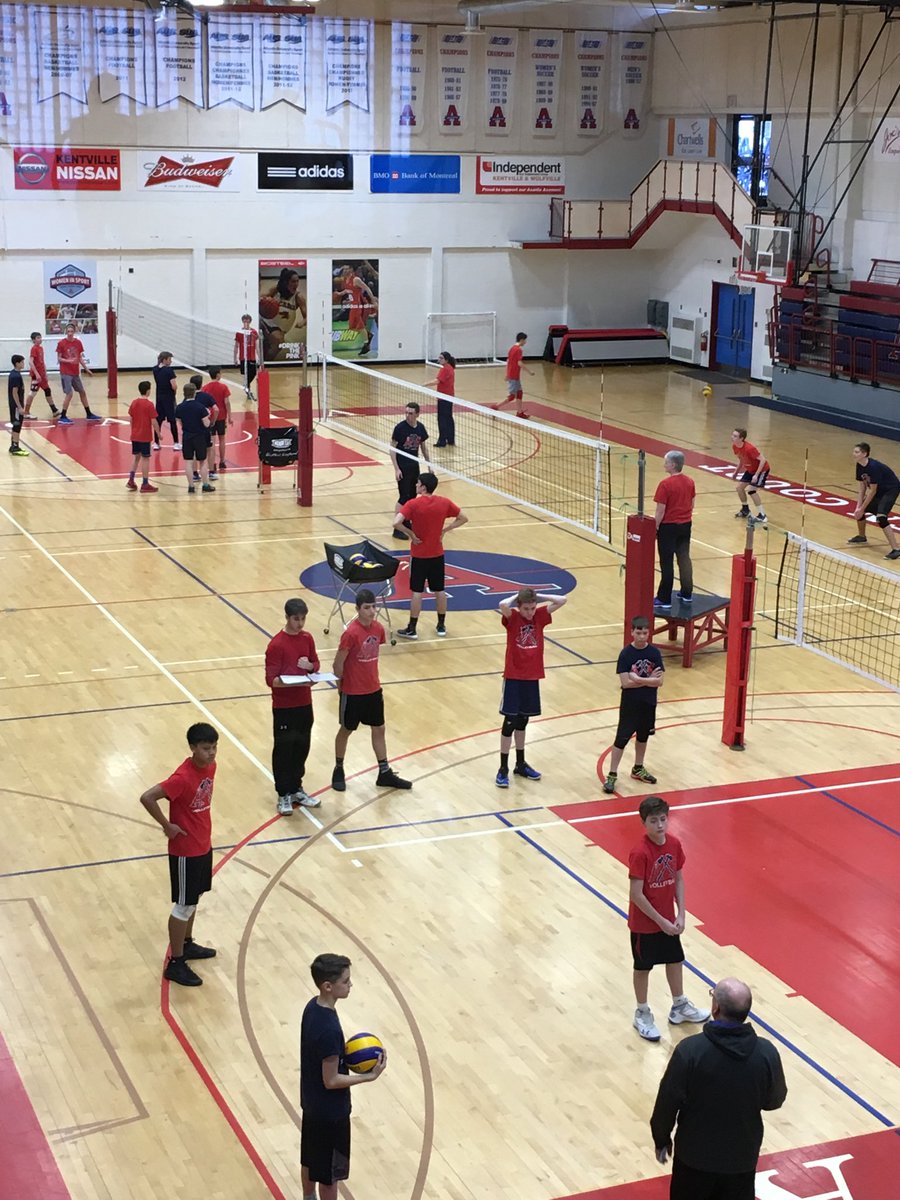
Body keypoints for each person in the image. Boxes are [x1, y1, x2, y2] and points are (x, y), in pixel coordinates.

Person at [650, 977, 787, 1200]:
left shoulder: (690, 1051)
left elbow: (667, 1102)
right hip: (741, 1158)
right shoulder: (766, 1052)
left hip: (694, 1158)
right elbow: (774, 1101)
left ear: (716, 1008)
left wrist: (662, 1139)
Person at [300, 953, 387, 1200]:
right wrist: (368, 1077)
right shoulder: (328, 1029)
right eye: (346, 981)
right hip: (330, 1114)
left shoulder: (312, 1007)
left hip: (312, 1104)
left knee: (310, 1159)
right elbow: (331, 1080)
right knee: (329, 1175)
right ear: (328, 986)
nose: (350, 985)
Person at [139, 722, 220, 988]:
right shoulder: (182, 778)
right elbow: (148, 797)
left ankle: (187, 944)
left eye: (214, 747)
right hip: (185, 851)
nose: (212, 753)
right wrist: (167, 825)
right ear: (193, 748)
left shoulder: (210, 767)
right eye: (206, 748)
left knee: (194, 898)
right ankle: (176, 962)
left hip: (202, 844)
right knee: (183, 905)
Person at [628, 795, 709, 1041]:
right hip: (645, 925)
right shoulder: (640, 852)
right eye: (654, 821)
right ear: (644, 823)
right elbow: (636, 894)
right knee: (643, 967)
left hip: (668, 921)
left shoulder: (674, 844)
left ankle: (679, 1005)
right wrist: (660, 921)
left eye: (663, 819)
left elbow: (679, 880)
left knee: (675, 960)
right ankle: (642, 1012)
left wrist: (681, 913)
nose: (660, 825)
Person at [331, 589, 411, 792]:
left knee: (379, 728)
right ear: (358, 609)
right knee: (346, 730)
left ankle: (384, 772)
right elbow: (337, 664)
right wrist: (341, 687)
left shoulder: (378, 629)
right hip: (353, 691)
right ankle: (339, 768)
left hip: (373, 689)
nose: (372, 611)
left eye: (374, 607)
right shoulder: (350, 633)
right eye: (367, 607)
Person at [495, 586, 568, 788]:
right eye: (526, 608)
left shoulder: (540, 617)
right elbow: (502, 604)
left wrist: (540, 597)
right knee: (509, 720)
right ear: (519, 606)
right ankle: (503, 768)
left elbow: (562, 600)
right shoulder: (513, 618)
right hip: (514, 675)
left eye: (533, 608)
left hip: (532, 675)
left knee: (523, 720)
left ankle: (520, 763)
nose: (530, 612)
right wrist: (518, 598)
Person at [393, 472, 468, 640]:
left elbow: (396, 522)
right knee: (439, 590)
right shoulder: (444, 502)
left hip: (419, 555)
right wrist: (445, 530)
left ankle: (412, 629)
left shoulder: (413, 504)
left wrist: (410, 533)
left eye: (417, 483)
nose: (415, 485)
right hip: (437, 554)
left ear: (423, 487)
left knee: (417, 592)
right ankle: (441, 626)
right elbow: (463, 518)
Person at [265, 598, 322, 816]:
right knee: (284, 750)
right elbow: (271, 680)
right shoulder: (277, 645)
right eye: (296, 619)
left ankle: (297, 788)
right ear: (287, 617)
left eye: (303, 619)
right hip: (284, 707)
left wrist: (311, 667)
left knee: (302, 747)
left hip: (304, 703)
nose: (300, 624)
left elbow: (315, 665)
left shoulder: (307, 638)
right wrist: (290, 681)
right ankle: (283, 794)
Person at [602, 616, 663, 794]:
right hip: (630, 704)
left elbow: (660, 682)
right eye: (639, 633)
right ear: (632, 632)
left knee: (643, 736)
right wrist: (648, 680)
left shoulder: (654, 653)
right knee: (621, 739)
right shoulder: (626, 654)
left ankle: (638, 768)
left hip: (648, 702)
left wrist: (637, 678)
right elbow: (625, 683)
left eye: (645, 633)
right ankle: (612, 774)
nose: (642, 636)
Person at [654, 450, 695, 611]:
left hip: (668, 527)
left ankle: (664, 598)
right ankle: (686, 593)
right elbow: (692, 504)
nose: (664, 464)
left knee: (667, 562)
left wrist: (655, 528)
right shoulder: (690, 481)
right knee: (684, 558)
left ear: (673, 464)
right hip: (686, 525)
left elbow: (660, 511)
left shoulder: (665, 484)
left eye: (666, 462)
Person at [848, 441, 900, 559]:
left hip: (890, 489)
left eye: (857, 452)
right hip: (879, 490)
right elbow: (862, 486)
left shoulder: (873, 467)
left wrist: (862, 508)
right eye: (854, 451)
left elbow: (873, 490)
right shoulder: (859, 465)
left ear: (864, 454)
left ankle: (896, 549)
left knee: (881, 517)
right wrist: (859, 507)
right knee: (859, 513)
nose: (854, 454)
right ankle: (862, 537)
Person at [389, 401, 431, 540]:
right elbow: (392, 449)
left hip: (414, 466)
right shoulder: (400, 428)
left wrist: (429, 465)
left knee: (412, 496)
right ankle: (397, 528)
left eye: (411, 413)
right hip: (403, 468)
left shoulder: (420, 428)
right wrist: (396, 469)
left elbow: (423, 447)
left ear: (418, 414)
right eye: (406, 412)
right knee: (403, 497)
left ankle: (406, 522)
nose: (408, 416)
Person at [175, 382, 215, 494]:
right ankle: (205, 485)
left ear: (184, 393)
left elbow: (180, 422)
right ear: (194, 393)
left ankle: (191, 486)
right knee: (202, 461)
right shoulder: (200, 407)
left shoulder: (179, 407)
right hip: (199, 437)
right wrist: (208, 416)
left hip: (187, 436)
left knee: (188, 461)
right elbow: (207, 424)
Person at [55, 322, 99, 424]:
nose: (70, 333)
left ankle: (88, 413)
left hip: (75, 372)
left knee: (82, 392)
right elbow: (59, 358)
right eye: (68, 331)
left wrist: (86, 369)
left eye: (71, 331)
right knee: (69, 394)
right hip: (66, 372)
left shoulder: (78, 343)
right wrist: (69, 361)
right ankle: (63, 415)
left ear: (74, 332)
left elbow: (79, 357)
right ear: (66, 332)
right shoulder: (61, 343)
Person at [126, 380, 159, 493]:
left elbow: (131, 419)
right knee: (145, 459)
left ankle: (131, 480)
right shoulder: (149, 404)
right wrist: (159, 434)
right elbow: (154, 421)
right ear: (148, 390)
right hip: (145, 436)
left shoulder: (134, 402)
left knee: (136, 458)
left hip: (135, 435)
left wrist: (134, 429)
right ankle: (145, 483)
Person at [731, 428, 769, 524]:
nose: (732, 437)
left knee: (751, 490)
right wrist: (736, 472)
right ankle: (745, 510)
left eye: (735, 436)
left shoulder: (749, 448)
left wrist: (756, 475)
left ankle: (763, 515)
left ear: (741, 438)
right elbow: (741, 460)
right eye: (733, 435)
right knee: (739, 488)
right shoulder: (735, 447)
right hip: (750, 470)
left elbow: (763, 460)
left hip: (761, 469)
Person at [495, 331, 534, 418]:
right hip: (514, 376)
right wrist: (529, 371)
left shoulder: (512, 348)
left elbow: (508, 362)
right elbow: (519, 363)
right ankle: (495, 407)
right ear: (522, 340)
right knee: (512, 396)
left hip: (513, 375)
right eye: (525, 340)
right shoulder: (518, 350)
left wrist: (507, 374)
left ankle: (519, 412)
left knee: (519, 393)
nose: (525, 342)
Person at [190, 373, 219, 483]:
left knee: (193, 451)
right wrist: (213, 421)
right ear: (201, 384)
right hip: (205, 428)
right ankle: (211, 472)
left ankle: (195, 474)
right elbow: (216, 409)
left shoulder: (189, 398)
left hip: (193, 429)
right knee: (209, 449)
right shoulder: (206, 396)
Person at [24, 332, 59, 419]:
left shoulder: (41, 348)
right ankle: (26, 412)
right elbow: (31, 362)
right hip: (37, 376)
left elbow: (42, 362)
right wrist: (36, 374)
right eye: (38, 338)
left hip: (42, 375)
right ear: (33, 340)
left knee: (47, 390)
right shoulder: (34, 349)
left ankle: (54, 410)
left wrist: (45, 373)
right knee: (32, 392)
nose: (40, 339)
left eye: (40, 337)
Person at [425, 351, 456, 447]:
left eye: (441, 358)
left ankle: (442, 441)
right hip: (450, 396)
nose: (439, 359)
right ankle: (451, 440)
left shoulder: (445, 369)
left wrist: (424, 385)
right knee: (448, 418)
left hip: (443, 398)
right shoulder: (450, 368)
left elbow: (437, 381)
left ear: (446, 360)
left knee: (442, 419)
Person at [204, 366, 232, 471]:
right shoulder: (223, 387)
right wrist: (230, 416)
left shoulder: (205, 387)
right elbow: (227, 402)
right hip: (221, 417)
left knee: (212, 440)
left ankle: (212, 463)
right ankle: (222, 461)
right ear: (218, 375)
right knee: (222, 439)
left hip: (211, 417)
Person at [152, 351, 179, 450]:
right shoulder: (169, 371)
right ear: (164, 360)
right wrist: (174, 392)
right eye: (169, 359)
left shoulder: (155, 369)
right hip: (169, 398)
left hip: (159, 398)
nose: (171, 361)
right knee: (172, 421)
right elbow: (174, 386)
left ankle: (156, 443)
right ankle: (176, 443)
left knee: (158, 420)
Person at [7, 355, 28, 457]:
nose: (24, 364)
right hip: (16, 405)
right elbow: (14, 392)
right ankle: (15, 446)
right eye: (22, 362)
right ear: (17, 363)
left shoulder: (14, 374)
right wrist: (19, 407)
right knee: (17, 424)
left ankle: (13, 445)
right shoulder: (15, 376)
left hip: (15, 404)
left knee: (17, 424)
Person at [234, 313, 259, 398]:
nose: (246, 322)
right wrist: (235, 358)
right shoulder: (239, 333)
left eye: (247, 321)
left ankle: (246, 386)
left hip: (252, 357)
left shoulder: (254, 332)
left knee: (253, 373)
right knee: (246, 374)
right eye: (244, 321)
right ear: (242, 321)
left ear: (250, 321)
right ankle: (248, 391)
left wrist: (259, 357)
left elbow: (257, 346)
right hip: (243, 358)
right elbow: (236, 346)